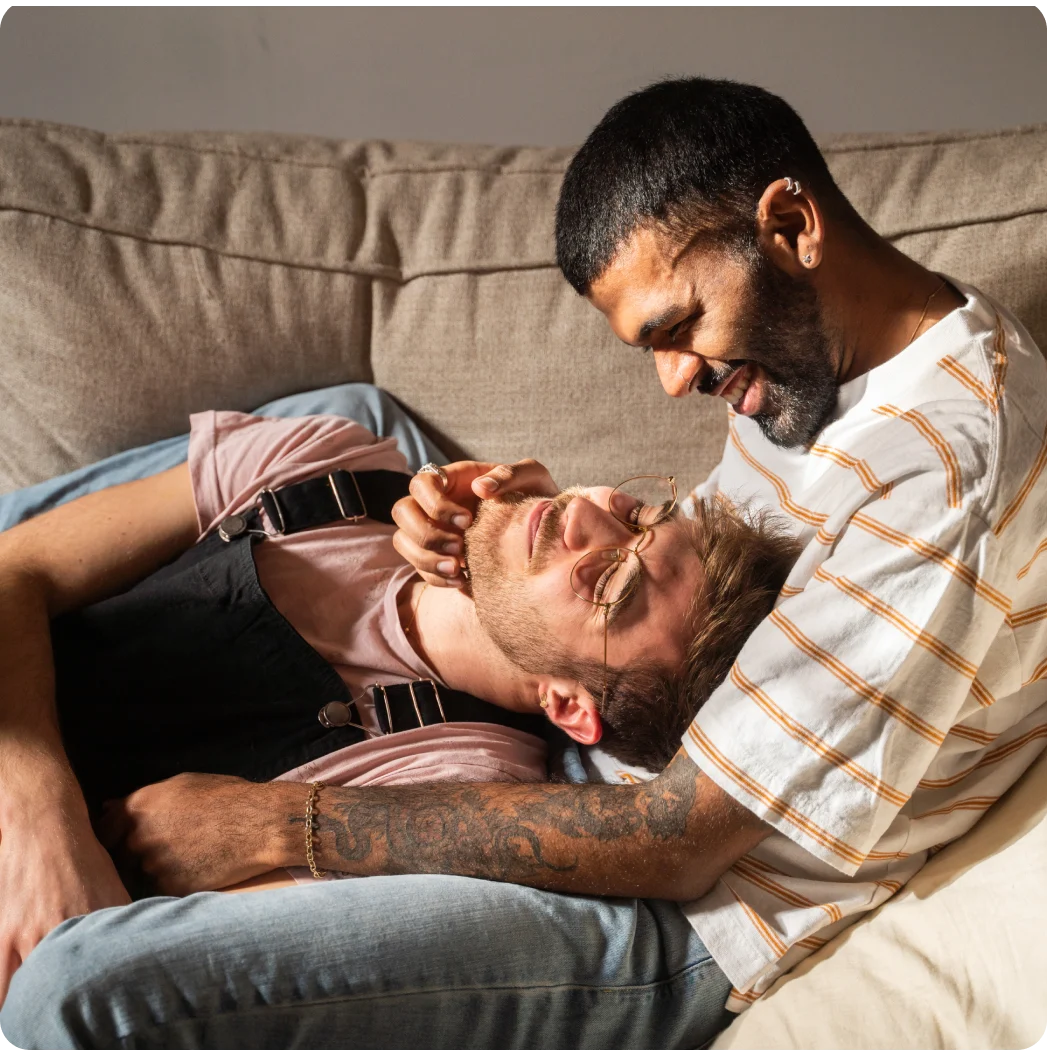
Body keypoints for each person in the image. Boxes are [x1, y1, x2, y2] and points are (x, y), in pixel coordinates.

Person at [3, 76, 1045, 1051]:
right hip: (594, 754)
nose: (674, 379)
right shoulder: (814, 370)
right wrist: (505, 523)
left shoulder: (944, 462)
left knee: (79, 986)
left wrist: (275, 823)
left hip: (686, 907)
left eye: (678, 328)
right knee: (353, 430)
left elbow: (678, 838)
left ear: (789, 225)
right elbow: (710, 573)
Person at [0, 404, 796, 989]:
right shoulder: (336, 463)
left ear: (569, 706)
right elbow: (14, 570)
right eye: (636, 514)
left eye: (611, 583)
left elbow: (172, 959)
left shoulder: (460, 787)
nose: (583, 514)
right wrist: (39, 815)